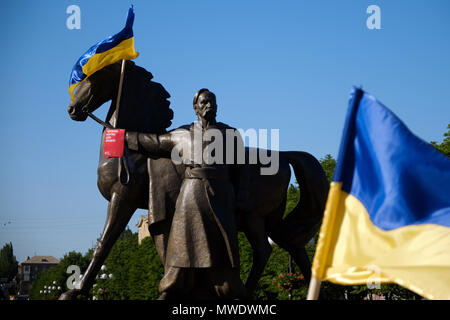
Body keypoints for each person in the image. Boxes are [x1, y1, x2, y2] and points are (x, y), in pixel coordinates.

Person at [126, 88, 249, 299]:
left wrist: (239, 200)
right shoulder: (182, 134)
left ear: (217, 107)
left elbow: (240, 171)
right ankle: (172, 287)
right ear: (195, 108)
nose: (208, 106)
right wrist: (124, 136)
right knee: (182, 244)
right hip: (191, 194)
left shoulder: (231, 135)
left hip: (221, 194)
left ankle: (226, 288)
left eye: (212, 102)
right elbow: (153, 142)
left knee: (223, 246)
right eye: (204, 102)